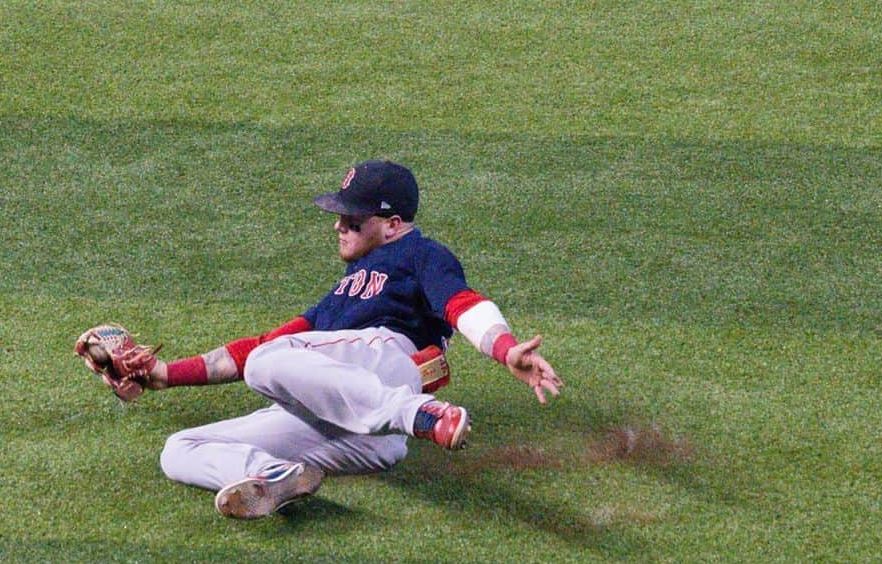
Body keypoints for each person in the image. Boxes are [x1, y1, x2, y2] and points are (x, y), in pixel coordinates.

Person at [135, 160, 563, 519]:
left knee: (269, 360)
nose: (340, 225)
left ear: (394, 224)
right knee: (178, 449)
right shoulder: (343, 291)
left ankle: (419, 413)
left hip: (387, 364)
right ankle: (272, 476)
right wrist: (161, 374)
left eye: (354, 219)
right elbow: (258, 348)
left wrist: (505, 348)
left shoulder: (420, 254)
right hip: (369, 438)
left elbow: (461, 303)